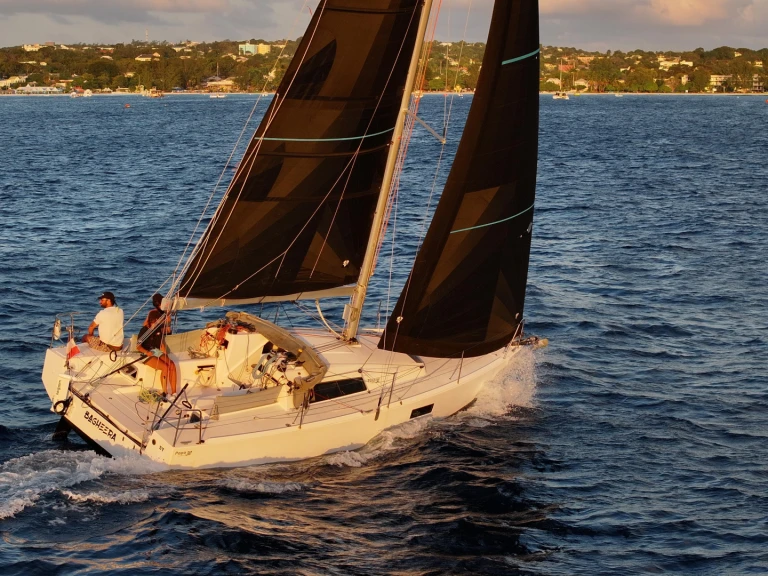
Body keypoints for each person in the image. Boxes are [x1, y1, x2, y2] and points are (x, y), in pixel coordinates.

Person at [136, 294, 177, 401]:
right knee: (165, 367)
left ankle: (174, 393)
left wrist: (164, 354)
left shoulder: (158, 328)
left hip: (156, 350)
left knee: (171, 364)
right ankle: (165, 392)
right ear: (151, 321)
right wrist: (147, 352)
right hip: (146, 353)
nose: (158, 323)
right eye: (156, 322)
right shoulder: (144, 330)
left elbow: (162, 342)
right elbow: (138, 346)